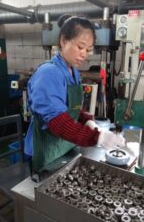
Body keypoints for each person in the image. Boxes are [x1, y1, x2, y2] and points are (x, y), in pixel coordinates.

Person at [24, 15, 125, 172]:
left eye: (88, 50)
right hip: (47, 151)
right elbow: (58, 122)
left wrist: (89, 122)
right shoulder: (48, 73)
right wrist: (97, 138)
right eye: (80, 47)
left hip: (65, 146)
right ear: (64, 41)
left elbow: (72, 108)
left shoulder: (73, 73)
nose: (84, 54)